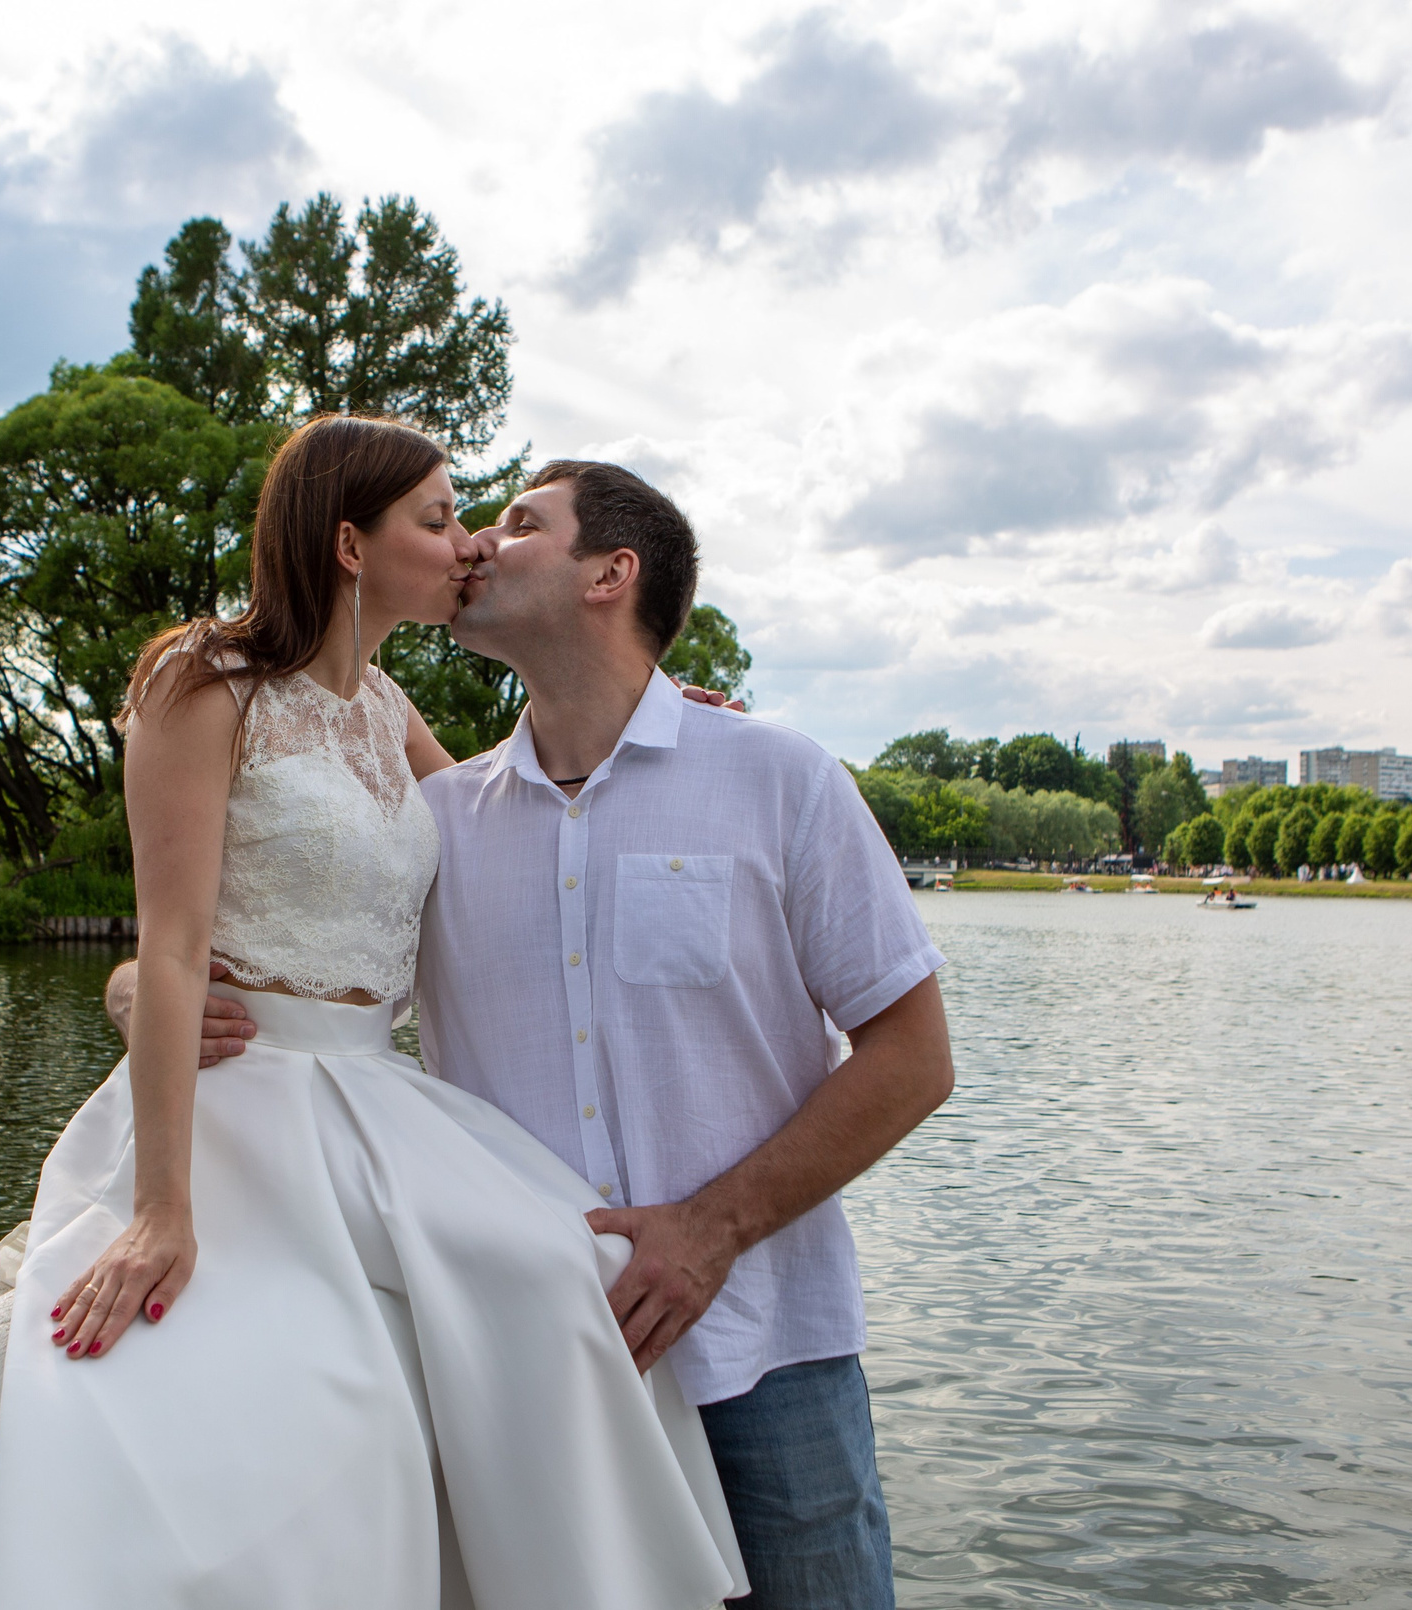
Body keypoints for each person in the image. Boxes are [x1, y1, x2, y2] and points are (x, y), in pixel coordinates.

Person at [158, 459, 956, 1608]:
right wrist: (142, 983)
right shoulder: (430, 826)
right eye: (461, 520)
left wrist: (710, 1228)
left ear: (609, 573)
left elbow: (914, 1056)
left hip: (764, 1353)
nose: (474, 542)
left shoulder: (779, 777)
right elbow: (287, 955)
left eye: (517, 522)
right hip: (537, 1359)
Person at [0, 417, 743, 1609]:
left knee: (563, 1266)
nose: (465, 547)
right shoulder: (201, 681)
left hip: (379, 1092)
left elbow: (513, 809)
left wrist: (653, 715)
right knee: (313, 1395)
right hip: (246, 1098)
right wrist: (161, 1208)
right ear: (350, 543)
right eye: (436, 521)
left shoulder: (386, 708)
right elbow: (170, 946)